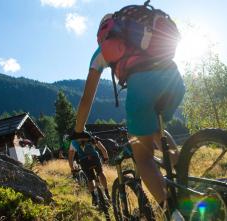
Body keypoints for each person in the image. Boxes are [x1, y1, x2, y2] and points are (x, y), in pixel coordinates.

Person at [70, 7, 185, 221]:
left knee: (144, 158)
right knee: (157, 131)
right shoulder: (139, 30)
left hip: (143, 88)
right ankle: (186, 181)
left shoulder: (103, 49)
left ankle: (174, 215)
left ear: (102, 34)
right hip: (174, 80)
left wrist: (78, 131)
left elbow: (86, 100)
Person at [67, 134, 110, 206]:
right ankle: (106, 192)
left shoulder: (73, 141)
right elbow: (103, 149)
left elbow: (71, 156)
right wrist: (106, 158)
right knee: (100, 173)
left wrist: (72, 168)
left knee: (90, 179)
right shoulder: (90, 136)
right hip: (94, 158)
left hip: (84, 161)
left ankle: (94, 197)